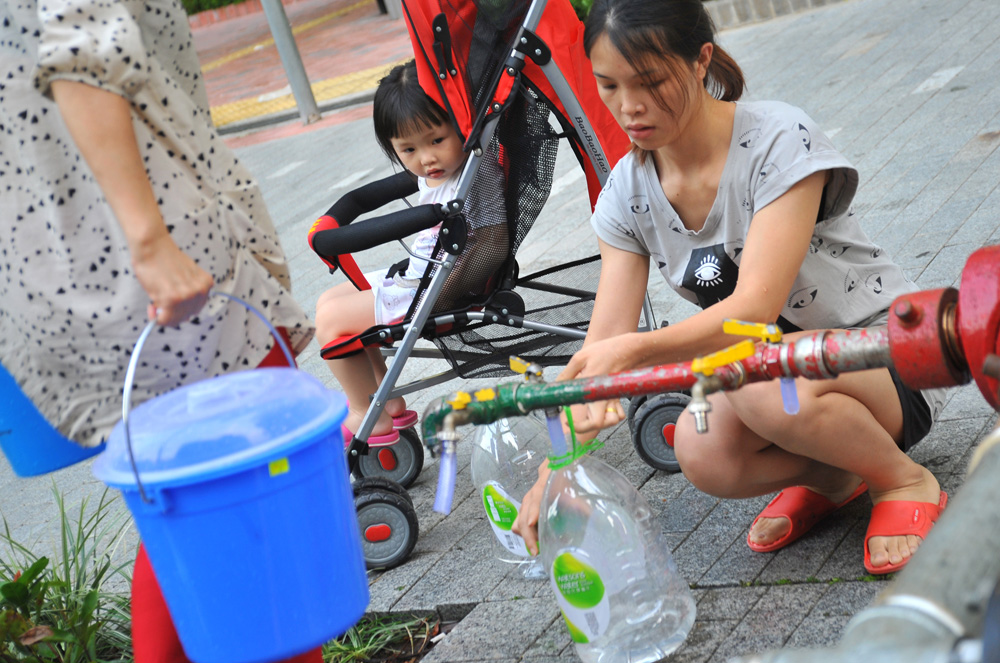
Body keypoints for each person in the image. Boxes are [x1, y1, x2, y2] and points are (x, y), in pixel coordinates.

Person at [511, 0, 948, 576]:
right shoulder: (627, 192)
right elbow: (603, 352)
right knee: (702, 449)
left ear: (701, 61)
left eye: (649, 81)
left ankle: (903, 479)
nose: (628, 106)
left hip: (887, 361)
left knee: (747, 369)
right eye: (608, 85)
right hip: (783, 378)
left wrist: (636, 350)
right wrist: (553, 474)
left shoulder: (777, 140)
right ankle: (836, 473)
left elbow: (754, 310)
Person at [0, 1, 317, 661]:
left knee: (184, 505)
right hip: (142, 243)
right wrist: (148, 240)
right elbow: (82, 47)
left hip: (55, 254)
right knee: (251, 495)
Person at [315, 59, 505, 443]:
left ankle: (363, 413)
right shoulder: (456, 169)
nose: (426, 159)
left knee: (333, 323)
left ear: (462, 124)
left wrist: (448, 286)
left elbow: (492, 236)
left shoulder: (472, 174)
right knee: (331, 300)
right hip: (425, 275)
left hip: (437, 286)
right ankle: (385, 403)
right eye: (408, 149)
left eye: (436, 140)